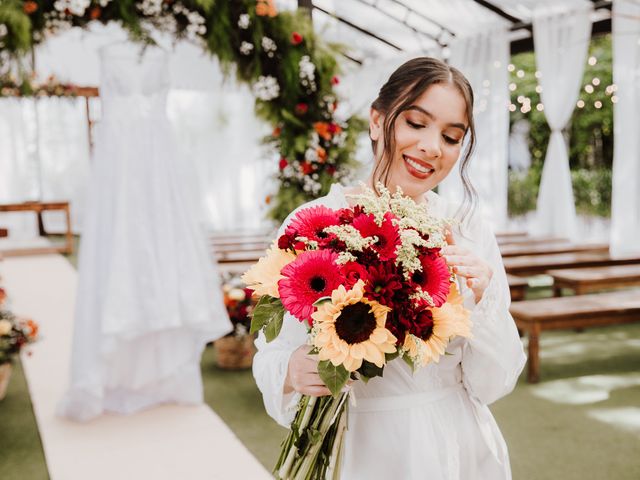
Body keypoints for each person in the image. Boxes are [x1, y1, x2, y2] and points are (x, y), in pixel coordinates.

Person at [253, 57, 526, 479]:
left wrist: (484, 298)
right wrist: (290, 369)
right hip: (360, 446)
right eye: (416, 123)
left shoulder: (468, 230)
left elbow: (494, 382)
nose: (433, 147)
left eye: (452, 136)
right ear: (378, 121)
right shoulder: (313, 221)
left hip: (455, 445)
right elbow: (271, 351)